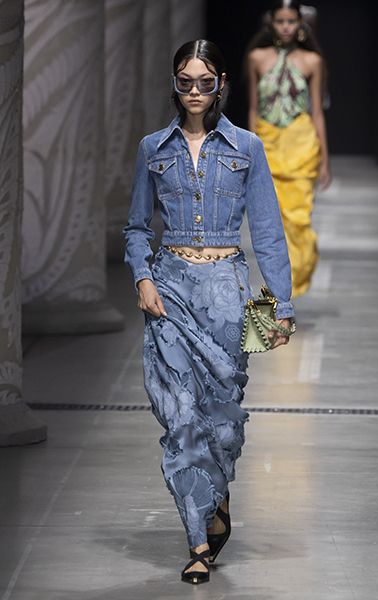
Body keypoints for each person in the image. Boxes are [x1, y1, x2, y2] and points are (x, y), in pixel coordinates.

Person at [124, 39, 294, 585]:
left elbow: (267, 231)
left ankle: (217, 498)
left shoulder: (248, 147)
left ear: (221, 83)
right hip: (169, 289)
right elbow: (135, 227)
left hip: (227, 294)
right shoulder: (153, 147)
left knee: (222, 417)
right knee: (180, 416)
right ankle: (197, 539)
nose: (194, 91)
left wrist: (282, 307)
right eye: (184, 81)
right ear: (174, 84)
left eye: (204, 82)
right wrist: (142, 276)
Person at [246, 0, 332, 297]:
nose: (285, 27)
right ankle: (283, 289)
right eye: (280, 21)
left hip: (301, 144)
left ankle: (295, 278)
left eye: (291, 21)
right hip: (268, 142)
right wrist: (249, 150)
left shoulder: (312, 61)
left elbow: (317, 111)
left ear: (300, 24)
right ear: (271, 23)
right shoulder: (256, 58)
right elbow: (253, 108)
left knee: (299, 218)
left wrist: (325, 160)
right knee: (273, 222)